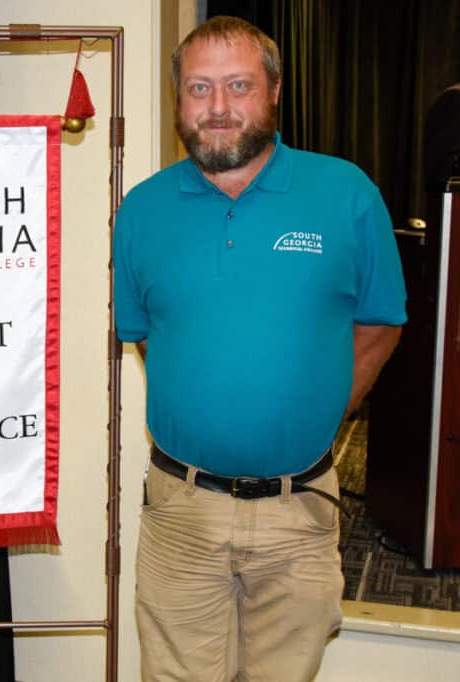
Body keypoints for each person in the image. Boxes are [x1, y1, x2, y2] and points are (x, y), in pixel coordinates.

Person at [112, 16, 406, 682]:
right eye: (199, 88)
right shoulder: (142, 211)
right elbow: (148, 340)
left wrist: (316, 413)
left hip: (297, 513)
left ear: (274, 91)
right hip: (181, 518)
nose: (218, 107)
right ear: (178, 99)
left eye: (238, 85)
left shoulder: (347, 195)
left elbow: (382, 324)